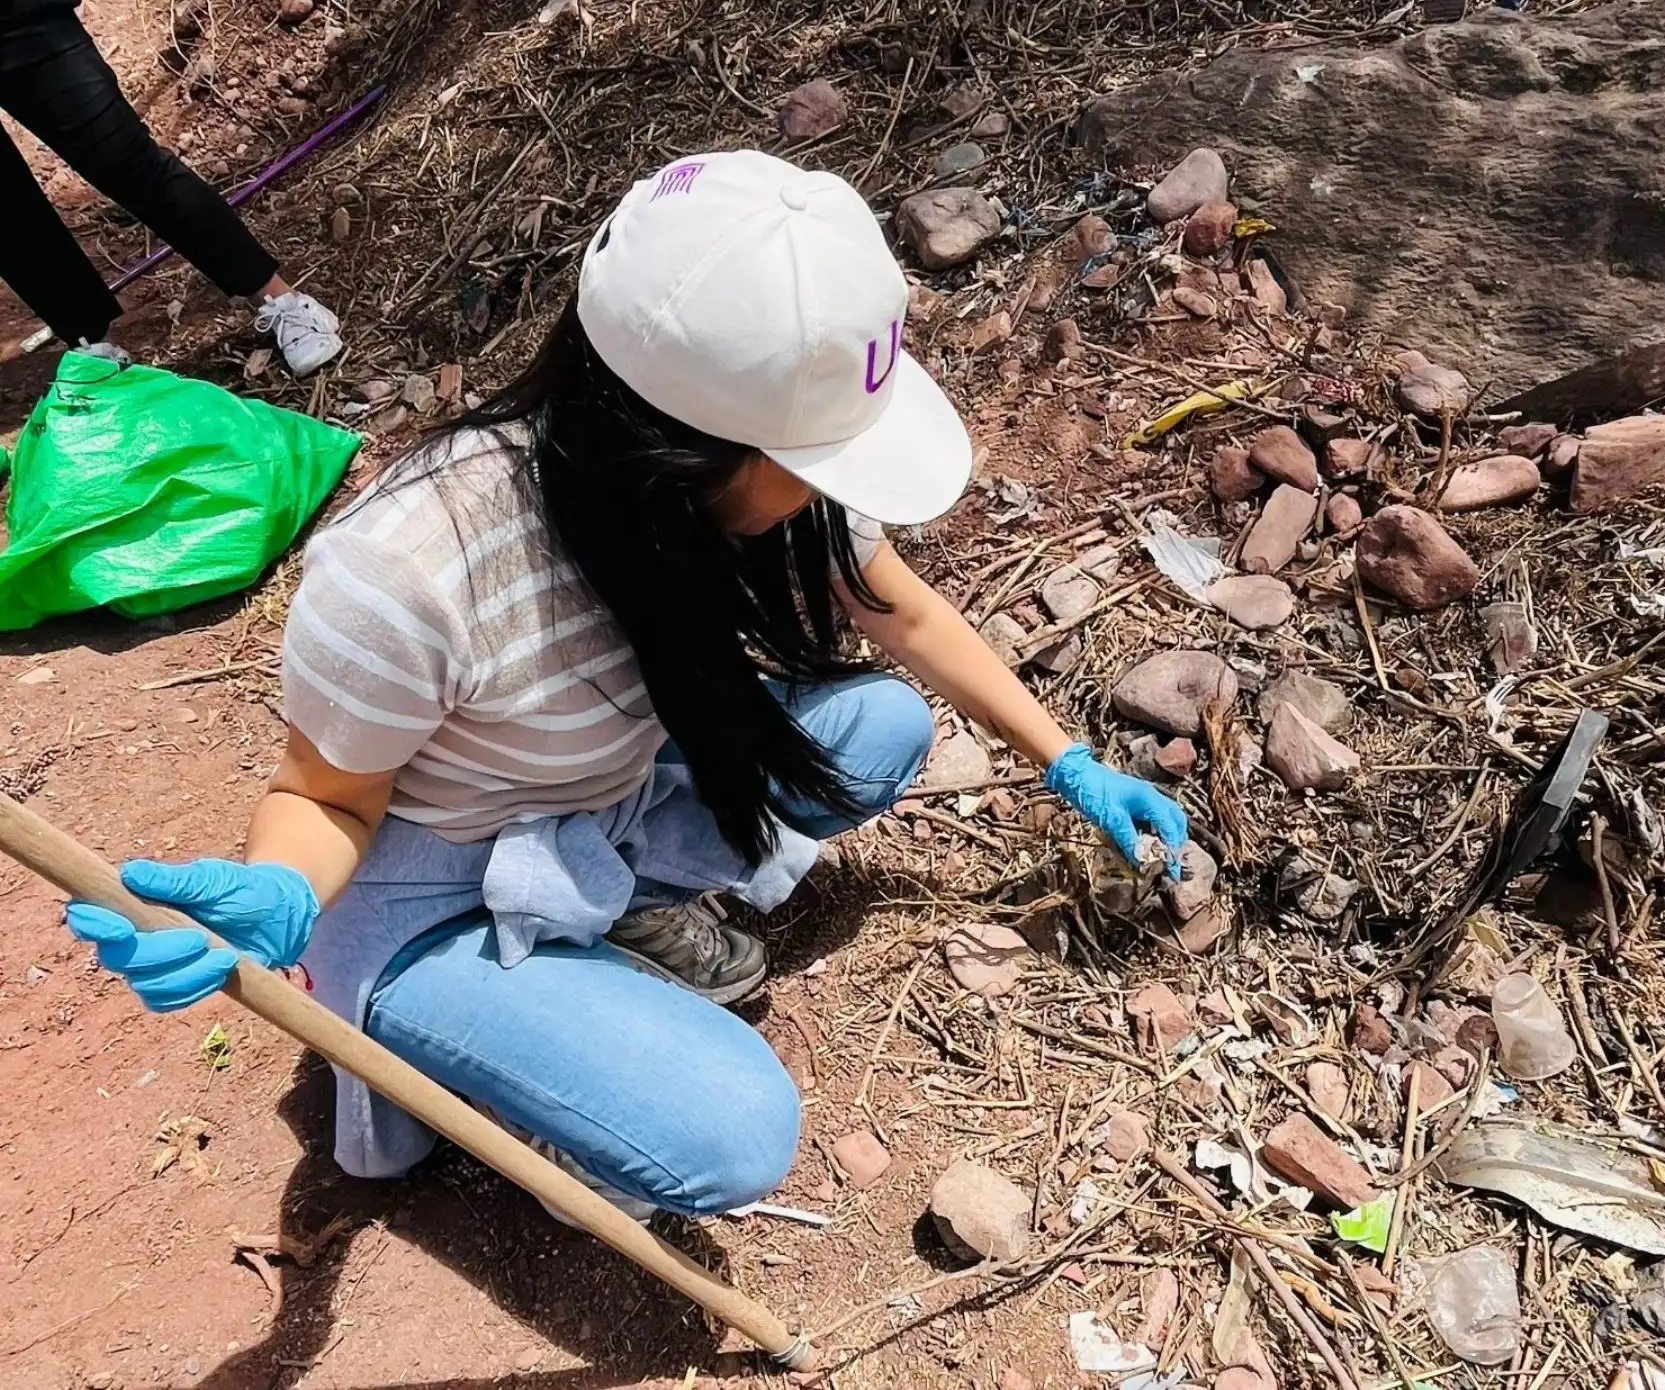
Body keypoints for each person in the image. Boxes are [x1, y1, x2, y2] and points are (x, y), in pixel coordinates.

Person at [62, 151, 1187, 1222]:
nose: (818, 495)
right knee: (729, 1132)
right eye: (808, 471)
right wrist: (282, 896)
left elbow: (909, 613)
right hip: (433, 885)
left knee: (879, 727)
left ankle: (611, 921)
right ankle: (489, 1043)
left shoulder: (741, 469)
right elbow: (329, 797)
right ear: (677, 450)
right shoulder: (412, 567)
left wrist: (1069, 761)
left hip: (596, 791)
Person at [0, 0, 342, 374]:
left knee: (125, 157)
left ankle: (281, 300)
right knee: (8, 215)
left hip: (21, 16)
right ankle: (89, 345)